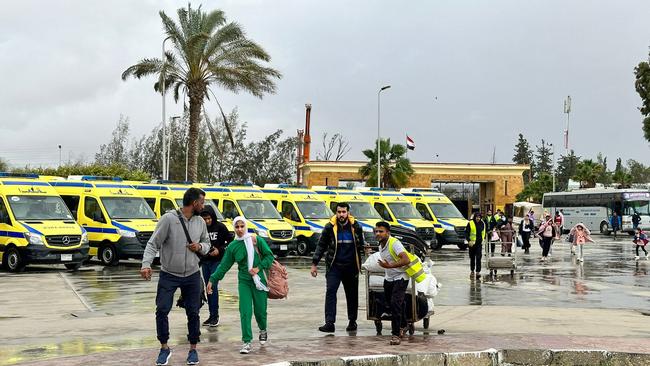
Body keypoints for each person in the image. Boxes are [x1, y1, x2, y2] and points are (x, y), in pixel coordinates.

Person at [140, 188, 211, 366]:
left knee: (193, 312)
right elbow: (152, 243)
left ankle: (193, 349)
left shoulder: (200, 222)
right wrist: (146, 264)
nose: (203, 205)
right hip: (169, 274)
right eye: (202, 202)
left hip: (193, 275)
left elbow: (207, 244)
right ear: (194, 203)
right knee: (162, 310)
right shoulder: (169, 220)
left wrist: (200, 247)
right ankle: (164, 348)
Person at [207, 216, 275, 355]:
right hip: (244, 281)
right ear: (234, 228)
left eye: (242, 226)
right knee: (245, 311)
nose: (239, 229)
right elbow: (223, 266)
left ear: (246, 226)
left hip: (259, 280)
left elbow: (269, 256)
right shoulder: (233, 246)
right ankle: (247, 341)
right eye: (236, 227)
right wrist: (212, 279)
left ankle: (263, 329)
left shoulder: (256, 240)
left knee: (260, 312)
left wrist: (259, 267)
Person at [311, 202, 365, 333]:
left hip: (351, 267)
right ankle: (330, 323)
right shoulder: (330, 227)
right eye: (339, 212)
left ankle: (352, 321)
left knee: (352, 295)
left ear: (348, 213)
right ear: (336, 212)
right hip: (334, 267)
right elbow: (321, 245)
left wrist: (363, 261)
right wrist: (314, 264)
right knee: (330, 292)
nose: (341, 214)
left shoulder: (356, 227)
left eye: (344, 212)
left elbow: (361, 246)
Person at [374, 222, 410, 345]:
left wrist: (389, 266)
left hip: (401, 277)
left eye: (381, 231)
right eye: (376, 231)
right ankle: (404, 324)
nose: (378, 233)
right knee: (392, 303)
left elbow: (406, 259)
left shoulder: (395, 243)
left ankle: (395, 335)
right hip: (389, 278)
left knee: (395, 304)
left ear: (388, 233)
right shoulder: (380, 244)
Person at [199, 206, 234, 327]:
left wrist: (220, 250)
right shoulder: (200, 228)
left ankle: (215, 316)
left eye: (208, 218)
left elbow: (230, 241)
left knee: (212, 285)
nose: (207, 221)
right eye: (204, 219)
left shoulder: (220, 227)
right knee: (207, 288)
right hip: (205, 261)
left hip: (217, 261)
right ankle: (211, 315)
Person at [465, 212, 486, 279]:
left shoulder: (482, 223)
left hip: (479, 244)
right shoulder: (470, 223)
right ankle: (472, 270)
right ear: (474, 217)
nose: (478, 218)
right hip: (472, 244)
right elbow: (466, 233)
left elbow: (483, 232)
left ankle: (478, 272)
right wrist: (469, 241)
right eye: (477, 217)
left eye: (479, 217)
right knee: (472, 258)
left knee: (478, 258)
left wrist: (482, 239)